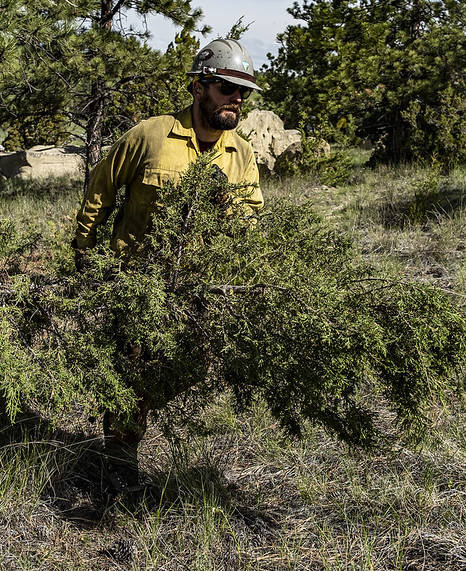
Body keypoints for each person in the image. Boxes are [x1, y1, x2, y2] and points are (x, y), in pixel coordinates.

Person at [71, 38, 264, 491]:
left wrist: (232, 219)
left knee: (193, 366)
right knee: (132, 368)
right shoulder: (151, 135)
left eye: (243, 93)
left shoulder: (241, 155)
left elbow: (253, 217)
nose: (236, 99)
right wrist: (85, 254)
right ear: (199, 87)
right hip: (136, 283)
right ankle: (119, 464)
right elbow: (100, 189)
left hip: (198, 288)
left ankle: (128, 409)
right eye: (226, 88)